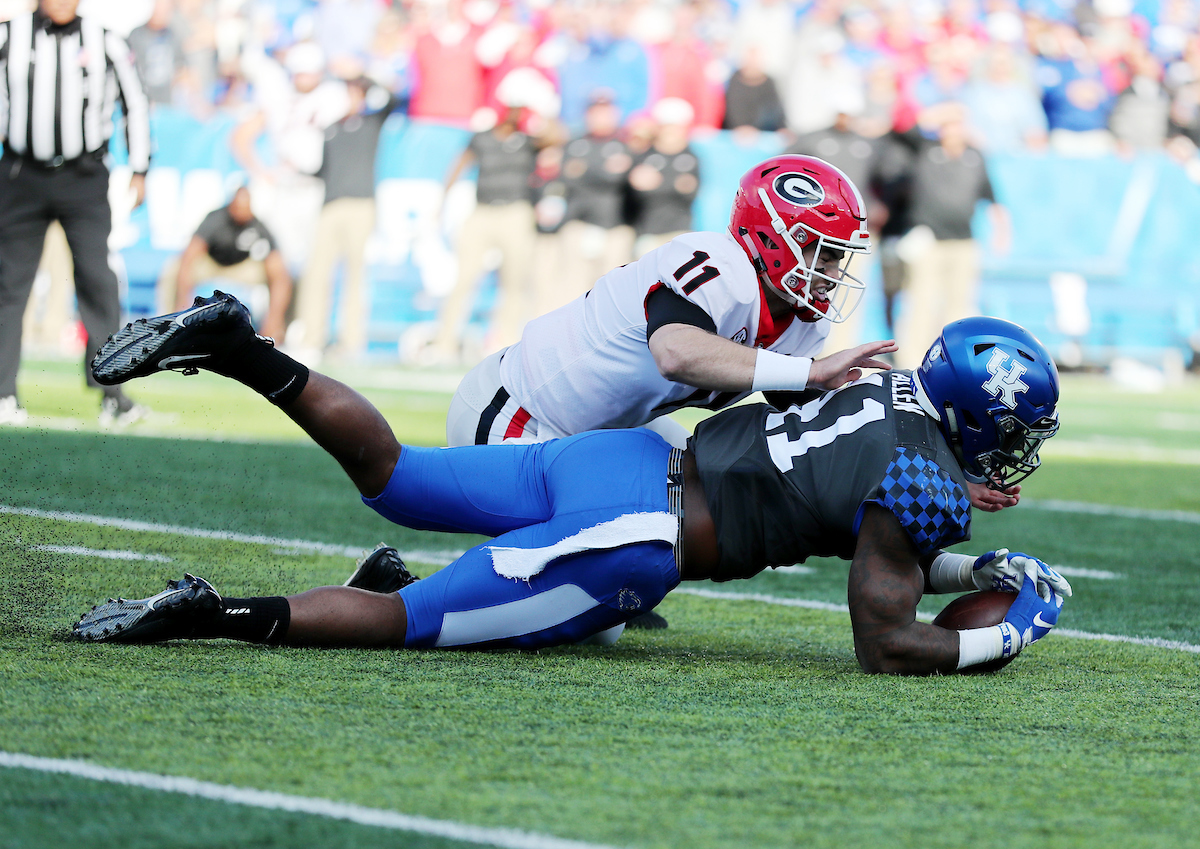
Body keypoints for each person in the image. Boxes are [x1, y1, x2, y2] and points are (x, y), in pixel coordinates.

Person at [80, 302, 1071, 676]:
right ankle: (212, 613)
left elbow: (856, 511)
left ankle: (244, 351)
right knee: (408, 622)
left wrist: (970, 560)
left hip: (625, 456)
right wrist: (1005, 629)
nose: (1015, 453)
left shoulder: (879, 383)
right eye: (1015, 435)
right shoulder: (926, 479)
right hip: (639, 535)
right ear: (982, 419)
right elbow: (884, 638)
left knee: (397, 477)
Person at [0, 0, 151, 427]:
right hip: (19, 173)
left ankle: (112, 394)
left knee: (97, 281)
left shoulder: (106, 42)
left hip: (84, 177)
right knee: (9, 285)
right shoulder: (8, 35)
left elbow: (136, 103)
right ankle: (1, 393)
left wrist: (140, 167)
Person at [294, 76, 399, 361]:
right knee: (317, 273)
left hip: (360, 204)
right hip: (331, 204)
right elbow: (324, 170)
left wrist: (362, 77)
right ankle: (312, 337)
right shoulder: (330, 129)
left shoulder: (370, 124)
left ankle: (350, 342)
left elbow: (393, 99)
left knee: (355, 276)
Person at [429, 104, 539, 364]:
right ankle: (445, 343)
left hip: (516, 212)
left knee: (513, 280)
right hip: (483, 211)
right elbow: (460, 164)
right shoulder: (483, 138)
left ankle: (504, 342)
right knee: (464, 278)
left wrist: (538, 117)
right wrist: (442, 201)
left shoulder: (529, 139)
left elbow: (556, 136)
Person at [158, 187, 292, 342]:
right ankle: (171, 326)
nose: (242, 212)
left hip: (241, 266)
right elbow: (190, 256)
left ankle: (278, 329)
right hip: (212, 263)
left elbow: (276, 266)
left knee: (282, 276)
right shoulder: (215, 219)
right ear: (231, 205)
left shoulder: (257, 226)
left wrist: (274, 320)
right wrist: (183, 303)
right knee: (174, 269)